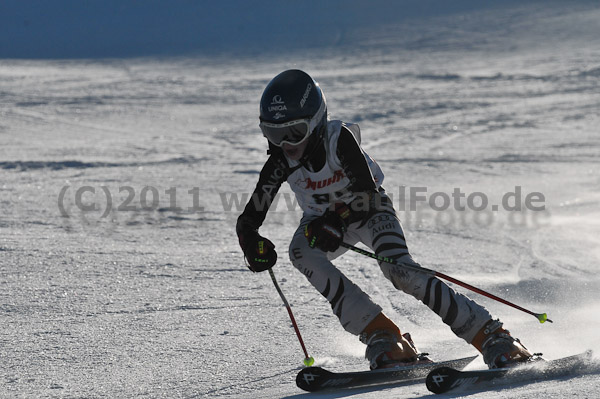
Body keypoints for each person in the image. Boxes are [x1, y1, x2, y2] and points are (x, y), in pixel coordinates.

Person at [236, 69, 533, 370]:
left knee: (399, 270)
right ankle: (384, 334)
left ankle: (492, 335)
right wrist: (251, 243)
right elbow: (250, 218)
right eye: (274, 135)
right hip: (323, 224)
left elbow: (366, 194)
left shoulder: (338, 140)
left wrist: (336, 222)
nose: (287, 145)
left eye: (294, 132)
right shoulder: (280, 161)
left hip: (371, 212)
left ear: (315, 122)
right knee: (301, 252)